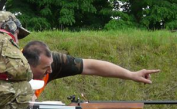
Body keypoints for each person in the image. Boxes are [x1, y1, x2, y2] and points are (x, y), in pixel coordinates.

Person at [21, 40, 160, 100]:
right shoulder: (6, 65)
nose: (50, 70)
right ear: (28, 65)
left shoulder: (53, 63)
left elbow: (90, 66)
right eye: (45, 68)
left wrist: (131, 74)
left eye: (50, 65)